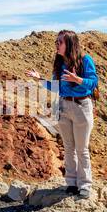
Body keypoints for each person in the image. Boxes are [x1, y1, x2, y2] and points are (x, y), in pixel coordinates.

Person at [27, 29, 98, 199]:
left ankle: (85, 185)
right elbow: (56, 87)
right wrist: (40, 79)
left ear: (70, 44)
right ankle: (71, 184)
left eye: (60, 42)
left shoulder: (85, 60)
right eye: (56, 42)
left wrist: (78, 80)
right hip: (64, 106)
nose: (57, 45)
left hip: (81, 105)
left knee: (82, 149)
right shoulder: (59, 64)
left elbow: (93, 82)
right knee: (68, 147)